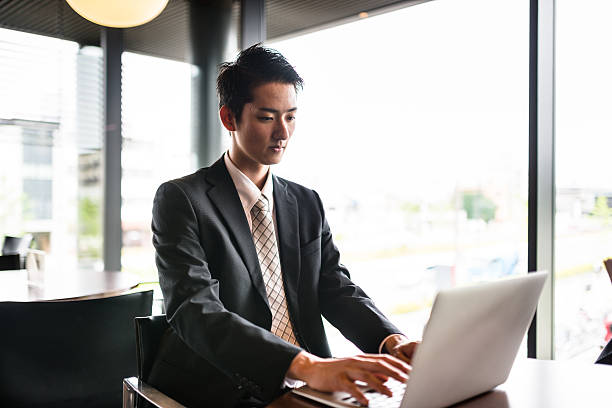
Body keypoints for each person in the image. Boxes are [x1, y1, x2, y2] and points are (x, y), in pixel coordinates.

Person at [149, 44, 419, 407]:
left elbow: (335, 288)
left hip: (310, 381)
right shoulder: (182, 199)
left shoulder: (306, 202)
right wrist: (304, 366)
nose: (283, 133)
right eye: (266, 117)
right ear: (229, 118)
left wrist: (392, 342)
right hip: (225, 383)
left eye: (291, 117)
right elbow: (195, 309)